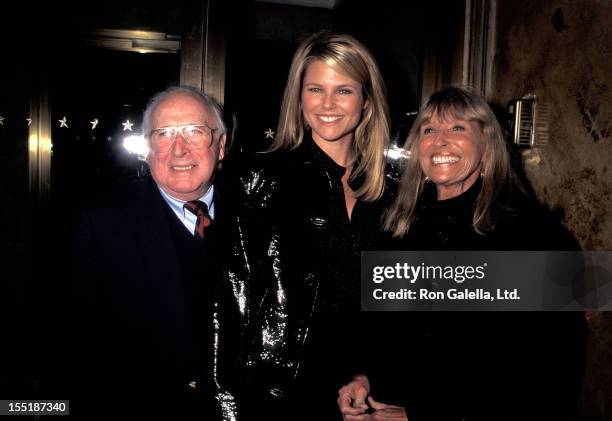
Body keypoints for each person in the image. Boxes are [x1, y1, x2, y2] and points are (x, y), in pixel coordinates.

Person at [337, 86, 586, 420]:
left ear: (486, 144)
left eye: (457, 128)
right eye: (429, 130)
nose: (440, 140)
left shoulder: (532, 235)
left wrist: (425, 413)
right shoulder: (398, 228)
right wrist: (363, 378)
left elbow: (551, 370)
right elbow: (387, 335)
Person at [225, 31, 398, 419]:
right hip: (278, 397)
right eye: (315, 88)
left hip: (361, 396)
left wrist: (368, 376)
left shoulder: (393, 191)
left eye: (344, 90)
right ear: (299, 97)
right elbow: (229, 307)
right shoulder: (259, 179)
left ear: (366, 100)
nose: (328, 104)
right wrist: (229, 409)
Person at [65, 86, 239, 419]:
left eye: (194, 132)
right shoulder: (100, 221)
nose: (179, 149)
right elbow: (78, 344)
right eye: (163, 134)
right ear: (148, 149)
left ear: (220, 146)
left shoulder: (259, 214)